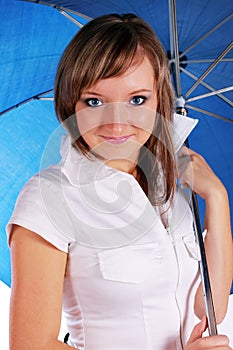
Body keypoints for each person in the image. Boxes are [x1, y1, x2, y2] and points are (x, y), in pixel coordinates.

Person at [7, 13, 233, 350]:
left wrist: (216, 197)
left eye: (137, 100)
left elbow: (208, 307)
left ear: (160, 100)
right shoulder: (48, 197)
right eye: (94, 101)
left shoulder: (173, 189)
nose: (117, 124)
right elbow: (31, 345)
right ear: (71, 102)